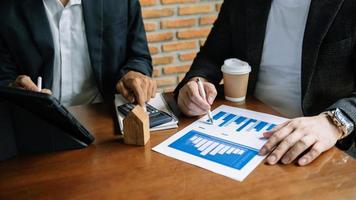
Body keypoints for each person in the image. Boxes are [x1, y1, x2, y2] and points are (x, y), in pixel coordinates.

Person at [175, 0, 356, 166]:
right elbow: (211, 57)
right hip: (250, 130)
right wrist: (195, 83)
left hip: (326, 144)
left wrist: (334, 122)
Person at [0, 0, 156, 107]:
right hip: (36, 123)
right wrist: (13, 90)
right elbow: (4, 76)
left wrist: (135, 72)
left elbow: (139, 55)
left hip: (104, 117)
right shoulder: (6, 7)